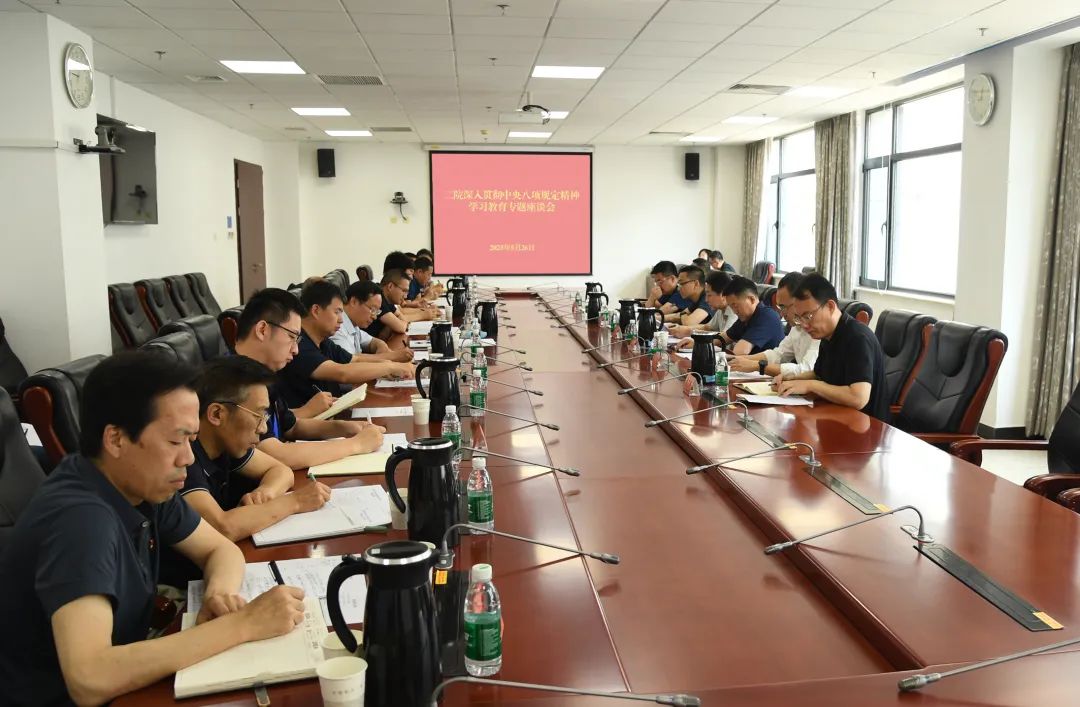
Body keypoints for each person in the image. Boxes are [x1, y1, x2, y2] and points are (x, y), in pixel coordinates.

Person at [0, 351, 306, 706]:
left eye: (191, 440)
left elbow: (219, 548)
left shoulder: (140, 482)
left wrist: (219, 595)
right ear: (116, 440)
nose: (188, 458)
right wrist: (243, 624)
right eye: (176, 441)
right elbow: (90, 677)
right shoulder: (80, 521)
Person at [160, 357, 334, 587]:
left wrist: (266, 493)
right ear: (217, 414)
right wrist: (295, 501)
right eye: (258, 415)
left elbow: (280, 470)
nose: (263, 428)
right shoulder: (185, 456)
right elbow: (222, 526)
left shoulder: (226, 442)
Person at [233, 288, 387, 471]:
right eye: (291, 337)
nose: (295, 350)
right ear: (262, 330)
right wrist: (356, 445)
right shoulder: (234, 383)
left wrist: (347, 428)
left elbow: (292, 426)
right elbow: (276, 454)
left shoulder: (263, 375)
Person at [278, 279, 415, 409]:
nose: (341, 320)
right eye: (337, 312)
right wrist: (390, 367)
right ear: (316, 310)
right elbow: (342, 373)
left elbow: (355, 360)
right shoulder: (300, 345)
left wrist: (390, 363)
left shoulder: (323, 341)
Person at [775, 274, 890, 421]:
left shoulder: (858, 338)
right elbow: (819, 374)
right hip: (836, 416)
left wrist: (810, 385)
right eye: (799, 318)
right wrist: (791, 380)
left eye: (808, 316)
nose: (804, 325)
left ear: (830, 306)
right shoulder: (827, 335)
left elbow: (858, 398)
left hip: (867, 426)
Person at [729, 272, 820, 377]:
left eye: (784, 307)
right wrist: (740, 360)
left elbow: (807, 369)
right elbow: (779, 354)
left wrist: (758, 366)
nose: (782, 313)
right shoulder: (796, 327)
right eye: (780, 307)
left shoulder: (819, 328)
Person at [332, 281, 415, 362]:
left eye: (377, 311)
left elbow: (371, 341)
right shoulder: (336, 329)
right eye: (373, 310)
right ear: (354, 302)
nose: (375, 317)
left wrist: (381, 346)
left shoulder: (353, 324)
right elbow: (350, 361)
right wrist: (392, 356)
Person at [717, 276, 785, 355]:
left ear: (751, 299)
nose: (734, 311)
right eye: (731, 307)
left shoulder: (767, 316)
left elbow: (740, 352)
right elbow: (722, 339)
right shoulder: (746, 317)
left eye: (735, 306)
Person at [366, 269, 436, 340]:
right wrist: (423, 315)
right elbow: (401, 327)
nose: (405, 296)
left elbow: (401, 317)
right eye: (404, 291)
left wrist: (393, 323)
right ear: (390, 286)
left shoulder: (387, 299)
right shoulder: (378, 298)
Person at [671, 271, 735, 341]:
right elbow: (707, 327)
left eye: (709, 295)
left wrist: (689, 332)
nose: (706, 300)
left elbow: (724, 338)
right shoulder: (721, 309)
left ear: (723, 295)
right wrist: (685, 329)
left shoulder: (734, 311)